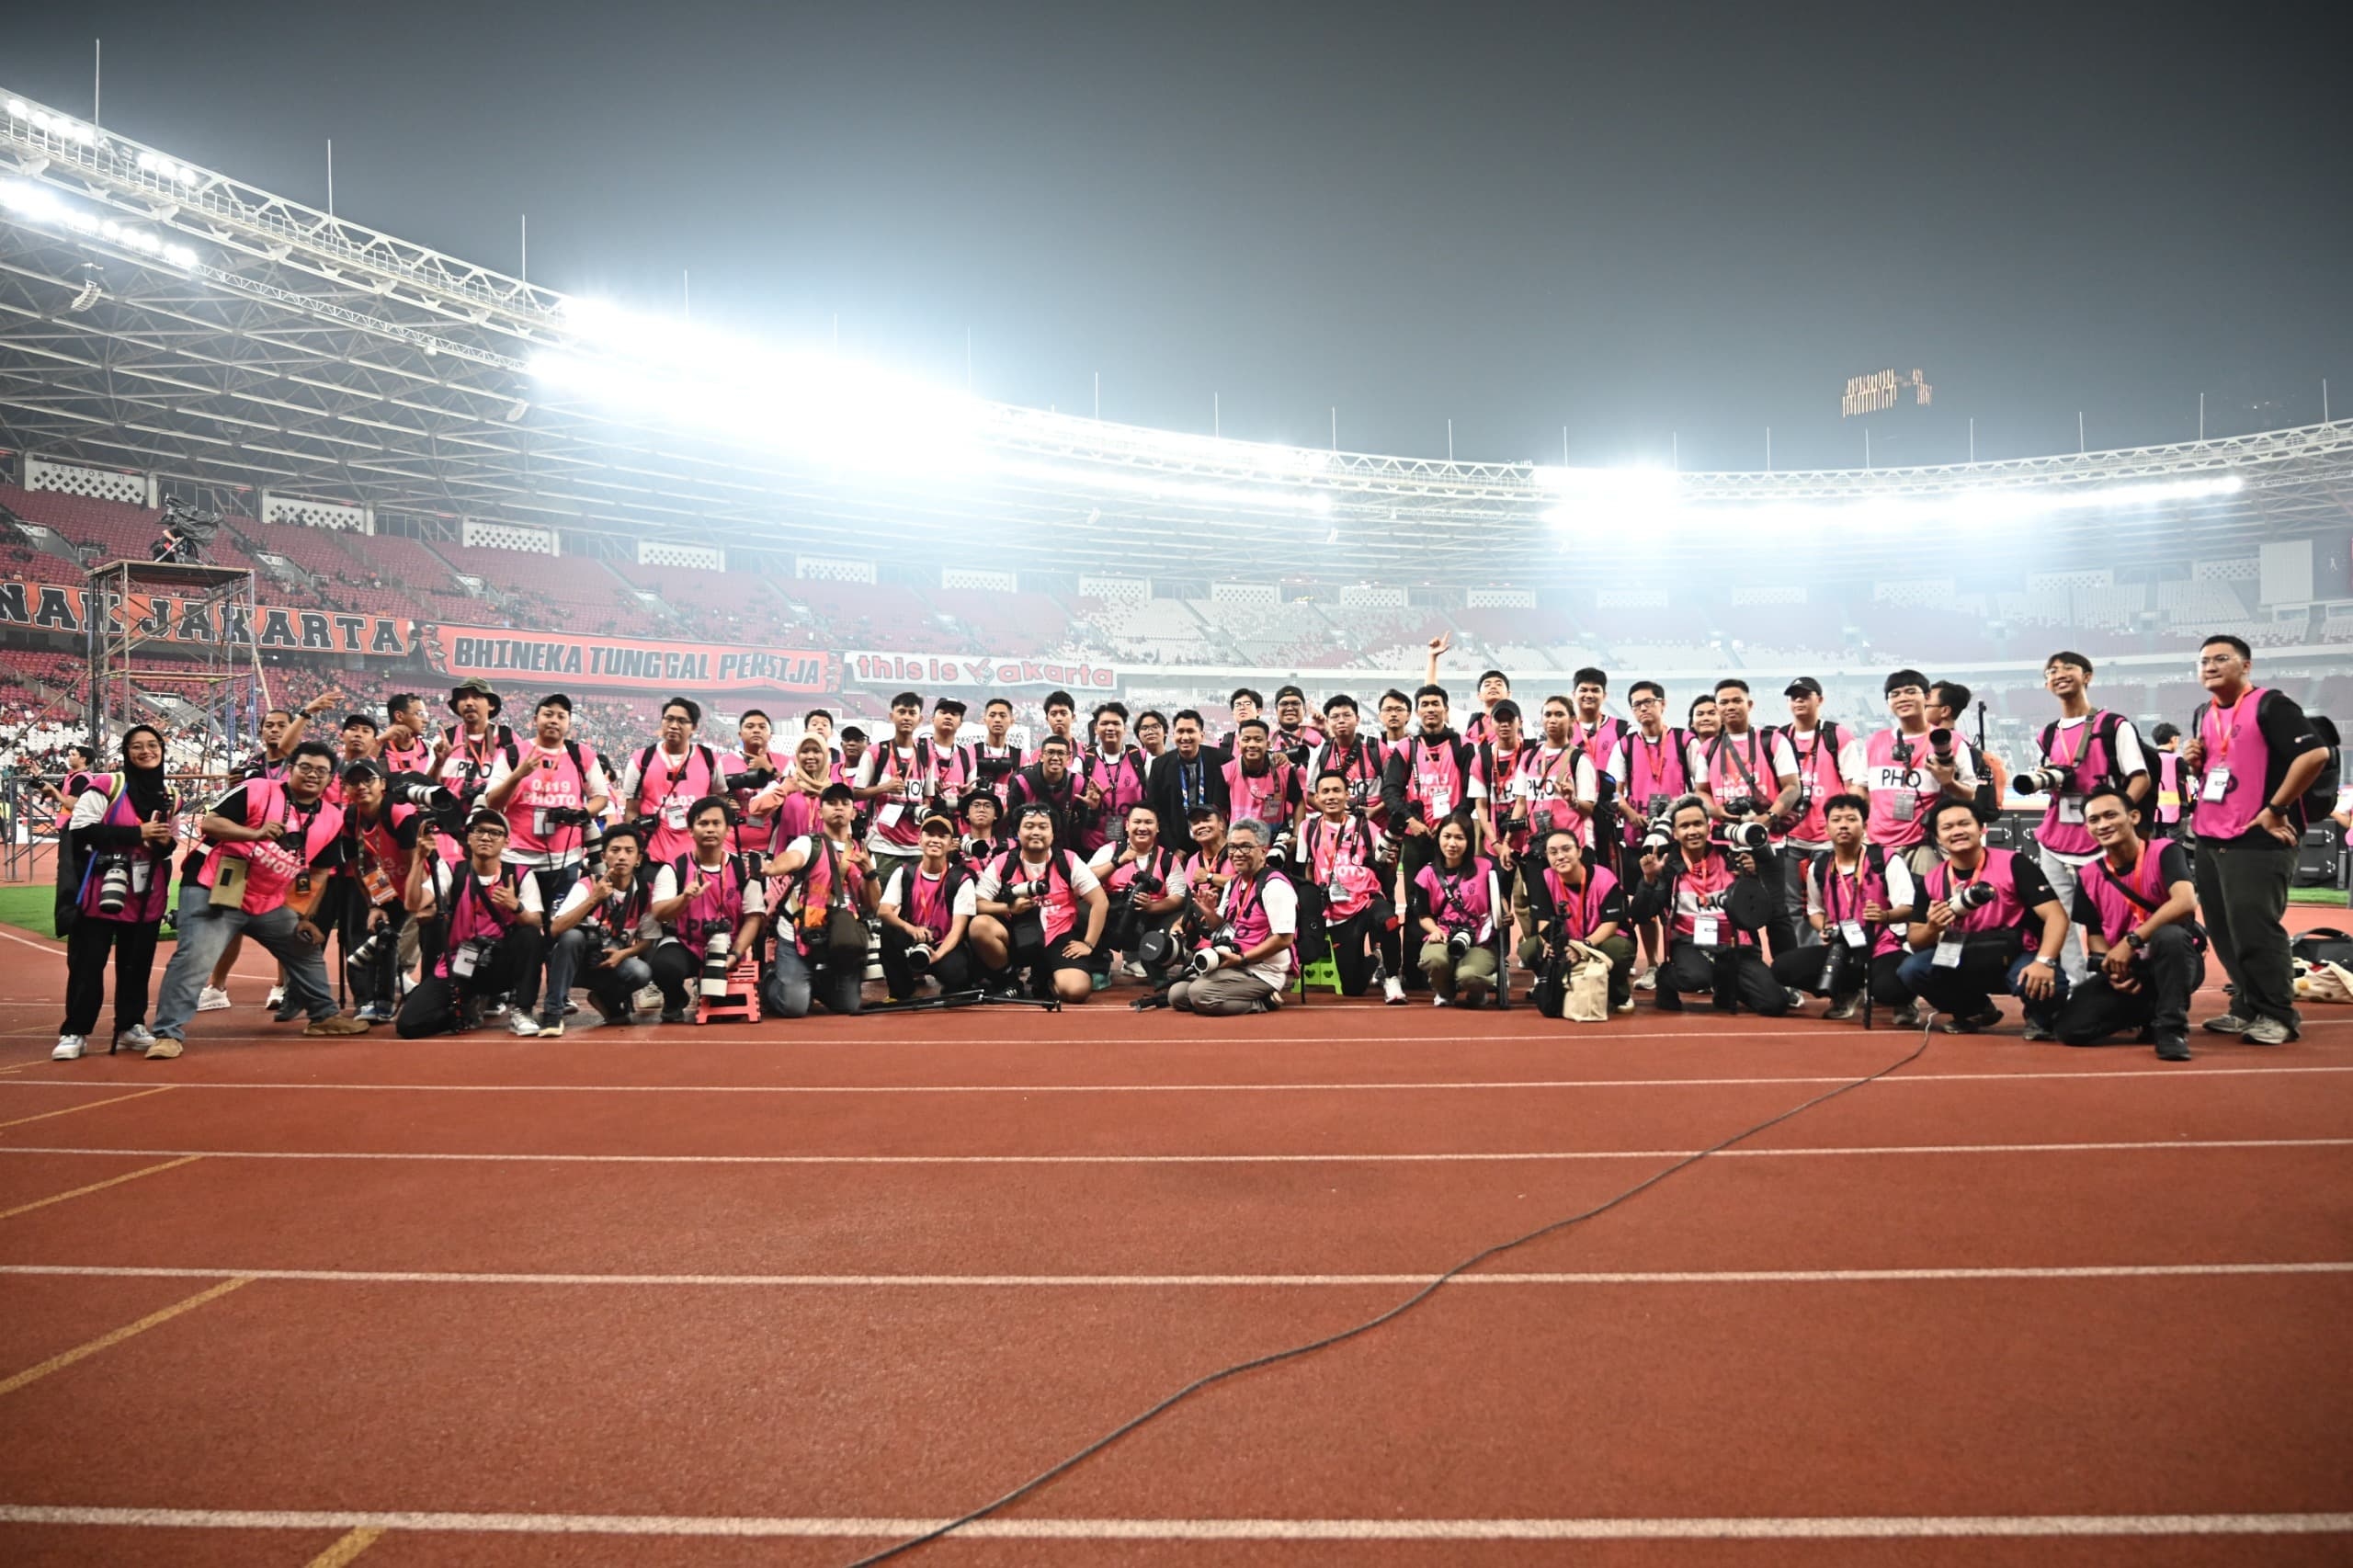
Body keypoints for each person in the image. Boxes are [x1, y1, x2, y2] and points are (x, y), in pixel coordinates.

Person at [146, 741, 366, 1058]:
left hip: (270, 899)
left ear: (331, 778)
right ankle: (167, 1033)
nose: (312, 775)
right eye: (305, 767)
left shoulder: (332, 819)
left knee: (304, 946)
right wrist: (255, 833)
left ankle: (324, 1017)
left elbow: (317, 873)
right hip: (216, 885)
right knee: (196, 956)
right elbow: (211, 823)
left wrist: (301, 914)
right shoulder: (258, 789)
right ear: (291, 769)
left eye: (321, 771)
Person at [2180, 633, 2328, 1044]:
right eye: (2203, 661)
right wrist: (2196, 764)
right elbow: (2220, 771)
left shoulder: (2271, 705)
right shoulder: (2202, 712)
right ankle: (2246, 1005)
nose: (2209, 666)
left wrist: (2277, 807)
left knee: (2255, 928)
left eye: (2220, 659)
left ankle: (2278, 1014)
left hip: (2257, 837)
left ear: (2246, 666)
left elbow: (2315, 755)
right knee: (2224, 929)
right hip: (2210, 835)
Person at [482, 693, 611, 1028]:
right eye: (548, 714)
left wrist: (581, 813)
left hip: (566, 858)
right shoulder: (512, 753)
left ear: (569, 722)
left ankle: (558, 992)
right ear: (535, 718)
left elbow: (600, 798)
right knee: (523, 932)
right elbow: (492, 803)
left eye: (561, 716)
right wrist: (519, 774)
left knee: (560, 930)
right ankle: (515, 998)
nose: (554, 721)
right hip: (518, 858)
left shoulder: (581, 755)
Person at [2022, 652, 2151, 983]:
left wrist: (2114, 819)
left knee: (2109, 916)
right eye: (2051, 671)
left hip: (2099, 840)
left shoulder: (2113, 726)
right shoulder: (2047, 733)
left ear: (2088, 676)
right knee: (2058, 918)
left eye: (2068, 668)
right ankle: (2074, 985)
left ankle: (2116, 981)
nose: (2058, 674)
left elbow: (2140, 777)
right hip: (2054, 838)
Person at [54, 725, 180, 1060]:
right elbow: (80, 832)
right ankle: (76, 1030)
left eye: (152, 745)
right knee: (88, 964)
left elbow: (168, 845)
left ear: (162, 750)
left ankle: (130, 1025)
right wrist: (137, 832)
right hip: (101, 889)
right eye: (137, 746)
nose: (146, 751)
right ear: (126, 752)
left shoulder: (170, 795)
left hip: (146, 893)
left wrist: (164, 841)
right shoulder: (108, 785)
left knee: (136, 965)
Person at [1899, 798, 2071, 1038]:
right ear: (1938, 838)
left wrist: (2045, 961)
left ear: (1982, 828)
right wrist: (1931, 927)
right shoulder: (1931, 880)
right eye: (1947, 827)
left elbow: (2057, 916)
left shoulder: (2013, 864)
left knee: (2046, 981)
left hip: (2015, 953)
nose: (1957, 831)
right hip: (1964, 954)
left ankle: (2040, 1016)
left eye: (1964, 824)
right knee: (1913, 969)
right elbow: (1916, 939)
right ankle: (1974, 1009)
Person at [2053, 786, 2201, 1061]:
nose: (2103, 824)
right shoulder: (2089, 875)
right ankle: (2148, 1010)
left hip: (2174, 959)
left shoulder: (2165, 851)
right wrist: (2113, 972)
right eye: (2094, 820)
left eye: (2110, 815)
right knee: (2070, 1030)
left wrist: (2131, 940)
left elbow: (2185, 902)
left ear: (2133, 817)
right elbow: (2095, 934)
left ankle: (2171, 1030)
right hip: (2128, 966)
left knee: (2169, 936)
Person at [1630, 795, 1789, 1016]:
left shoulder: (1732, 858)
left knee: (1775, 1003)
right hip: (1690, 944)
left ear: (1708, 825)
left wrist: (1752, 879)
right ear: (1675, 833)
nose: (1692, 831)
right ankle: (1666, 977)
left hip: (1735, 946)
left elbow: (1759, 912)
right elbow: (1640, 914)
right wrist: (1649, 880)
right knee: (1694, 978)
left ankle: (1727, 986)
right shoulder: (1667, 865)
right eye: (1685, 826)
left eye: (1697, 824)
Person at [1770, 793, 1918, 1023]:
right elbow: (1814, 911)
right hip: (1844, 946)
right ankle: (1847, 991)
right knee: (1783, 967)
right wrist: (1823, 927)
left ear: (1865, 825)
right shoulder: (1818, 868)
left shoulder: (1886, 859)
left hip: (1885, 945)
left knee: (1889, 989)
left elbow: (1909, 906)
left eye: (1851, 819)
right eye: (1836, 820)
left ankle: (1904, 1002)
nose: (1844, 825)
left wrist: (1885, 915)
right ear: (1827, 828)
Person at [397, 809, 543, 1038]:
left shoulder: (520, 874)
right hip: (461, 963)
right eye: (480, 831)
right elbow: (413, 904)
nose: (486, 838)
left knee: (530, 936)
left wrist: (517, 906)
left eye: (495, 833)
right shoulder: (451, 870)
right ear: (469, 837)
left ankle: (523, 1011)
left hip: (501, 963)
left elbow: (535, 921)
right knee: (408, 1025)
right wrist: (418, 860)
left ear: (506, 841)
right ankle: (463, 1011)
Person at [1842, 669, 1977, 878]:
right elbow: (1860, 786)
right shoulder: (1875, 741)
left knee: (1931, 902)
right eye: (1895, 694)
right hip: (1876, 843)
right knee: (1877, 906)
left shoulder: (1950, 742)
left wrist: (1948, 782)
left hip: (1922, 843)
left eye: (1910, 691)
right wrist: (1862, 824)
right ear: (1888, 703)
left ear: (1926, 696)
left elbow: (1969, 795)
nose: (1902, 698)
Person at [970, 801, 1108, 1005]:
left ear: (1053, 833)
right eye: (1029, 826)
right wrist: (1008, 908)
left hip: (1059, 937)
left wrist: (1088, 943)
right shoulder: (1003, 862)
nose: (1036, 832)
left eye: (1043, 827)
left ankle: (1047, 979)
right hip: (1017, 935)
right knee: (979, 926)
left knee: (1077, 991)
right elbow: (978, 903)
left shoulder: (1068, 861)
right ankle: (1010, 981)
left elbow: (1100, 902)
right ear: (1017, 831)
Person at [648, 796, 767, 1024]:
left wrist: (736, 954)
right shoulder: (674, 868)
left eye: (716, 823)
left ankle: (709, 988)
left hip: (728, 947)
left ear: (727, 829)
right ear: (691, 831)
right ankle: (675, 999)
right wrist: (684, 898)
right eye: (703, 824)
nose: (710, 829)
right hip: (686, 943)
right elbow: (659, 913)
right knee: (663, 967)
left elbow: (753, 917)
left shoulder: (743, 870)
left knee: (728, 1015)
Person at [1608, 680, 1694, 990]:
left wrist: (1672, 817)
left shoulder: (1686, 741)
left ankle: (1681, 962)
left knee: (1678, 903)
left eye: (1649, 702)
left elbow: (1700, 790)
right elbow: (1613, 791)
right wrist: (1631, 814)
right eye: (1637, 704)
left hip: (1677, 840)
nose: (1643, 708)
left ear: (1663, 703)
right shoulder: (1626, 745)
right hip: (1638, 839)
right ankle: (1654, 965)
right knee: (1645, 905)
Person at [1169, 817, 1299, 1015]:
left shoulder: (1275, 886)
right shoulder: (1233, 883)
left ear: (1263, 851)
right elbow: (1219, 928)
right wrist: (1209, 912)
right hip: (1235, 962)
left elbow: (1284, 939)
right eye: (1232, 847)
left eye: (1246, 847)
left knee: (1200, 994)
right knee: (1177, 995)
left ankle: (1264, 1002)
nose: (1237, 854)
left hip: (1262, 971)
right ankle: (1231, 993)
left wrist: (1242, 959)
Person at [1380, 683, 1487, 917]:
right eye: (1424, 704)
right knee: (1415, 902)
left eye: (1435, 704)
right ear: (1417, 712)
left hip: (1451, 838)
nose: (1430, 709)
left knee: (1456, 898)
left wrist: (1452, 822)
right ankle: (1414, 953)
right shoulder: (1407, 746)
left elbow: (1472, 793)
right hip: (1416, 837)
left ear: (1445, 710)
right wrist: (1410, 820)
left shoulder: (1463, 746)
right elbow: (1390, 791)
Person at [765, 782, 870, 1018]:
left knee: (848, 1006)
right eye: (831, 803)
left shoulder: (860, 851)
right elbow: (791, 859)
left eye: (845, 803)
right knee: (794, 1007)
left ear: (854, 812)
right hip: (798, 934)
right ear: (820, 812)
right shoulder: (808, 843)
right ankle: (771, 979)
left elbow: (872, 903)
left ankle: (812, 983)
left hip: (836, 938)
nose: (838, 808)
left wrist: (870, 873)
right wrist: (772, 868)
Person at [541, 824, 660, 1028]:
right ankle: (553, 1013)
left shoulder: (644, 893)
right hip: (576, 965)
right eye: (615, 850)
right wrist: (593, 899)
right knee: (572, 937)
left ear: (638, 859)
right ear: (604, 856)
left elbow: (648, 940)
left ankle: (607, 1000)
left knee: (641, 972)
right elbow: (555, 928)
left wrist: (623, 954)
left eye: (629, 851)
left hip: (612, 963)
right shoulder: (587, 884)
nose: (621, 856)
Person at [335, 759, 424, 1025]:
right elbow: (360, 868)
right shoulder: (351, 817)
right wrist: (375, 905)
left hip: (423, 878)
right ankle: (383, 1003)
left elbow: (415, 865)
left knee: (433, 933)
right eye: (353, 782)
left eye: (368, 780)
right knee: (384, 936)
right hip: (390, 882)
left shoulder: (399, 813)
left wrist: (413, 904)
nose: (361, 787)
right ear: (345, 788)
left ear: (382, 784)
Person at [1297, 769, 1396, 998]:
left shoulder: (1367, 828)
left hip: (1367, 899)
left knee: (1388, 920)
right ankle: (1374, 960)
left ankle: (1392, 977)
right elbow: (1307, 871)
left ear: (1347, 794)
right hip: (1336, 910)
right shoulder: (1308, 829)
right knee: (1352, 988)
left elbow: (1384, 862)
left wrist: (1390, 861)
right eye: (1325, 792)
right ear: (1317, 798)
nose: (1331, 796)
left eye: (1336, 790)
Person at [1519, 826, 1634, 1014]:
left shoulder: (1603, 878)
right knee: (1530, 949)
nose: (1560, 856)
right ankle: (1555, 986)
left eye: (1566, 849)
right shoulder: (1545, 878)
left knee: (1617, 950)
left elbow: (1610, 924)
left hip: (1599, 940)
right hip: (1566, 941)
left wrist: (1583, 948)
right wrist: (1549, 944)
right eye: (1553, 852)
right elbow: (1544, 921)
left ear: (1579, 851)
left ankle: (1618, 992)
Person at [1776, 677, 1853, 949]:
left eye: (1805, 695)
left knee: (1833, 901)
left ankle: (1836, 955)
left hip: (1827, 839)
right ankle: (1808, 959)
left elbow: (1854, 785)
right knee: (1791, 906)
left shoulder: (1836, 735)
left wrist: (1851, 828)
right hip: (1790, 837)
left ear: (1819, 700)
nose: (1799, 701)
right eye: (1793, 696)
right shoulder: (1779, 737)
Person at [878, 812, 981, 998]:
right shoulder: (905, 872)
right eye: (929, 835)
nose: (935, 840)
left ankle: (952, 985)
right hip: (913, 938)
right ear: (919, 841)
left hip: (944, 943)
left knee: (955, 976)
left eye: (942, 836)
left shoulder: (961, 879)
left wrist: (937, 955)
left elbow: (958, 930)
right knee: (888, 931)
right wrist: (909, 928)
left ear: (951, 844)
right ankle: (901, 991)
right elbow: (883, 910)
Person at [1086, 802, 1189, 985]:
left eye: (1148, 822)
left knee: (1182, 918)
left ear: (1157, 828)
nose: (1142, 827)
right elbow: (1085, 880)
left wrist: (1152, 907)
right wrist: (1117, 862)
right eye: (1137, 822)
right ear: (1127, 825)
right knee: (1082, 911)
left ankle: (1157, 964)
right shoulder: (1110, 850)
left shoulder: (1168, 859)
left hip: (1150, 916)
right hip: (1113, 914)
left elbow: (1178, 897)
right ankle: (1099, 967)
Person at [615, 697, 722, 867]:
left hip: (696, 857)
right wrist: (633, 852)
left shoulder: (710, 760)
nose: (673, 725)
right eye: (669, 719)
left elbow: (720, 800)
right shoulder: (642, 760)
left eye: (682, 721)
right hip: (652, 856)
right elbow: (631, 811)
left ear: (694, 727)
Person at [1410, 814, 1503, 1006]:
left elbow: (1498, 899)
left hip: (1480, 940)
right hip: (1444, 934)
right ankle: (1445, 991)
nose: (1452, 843)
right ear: (1438, 838)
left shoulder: (1486, 867)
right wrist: (1434, 931)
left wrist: (1504, 913)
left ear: (1469, 841)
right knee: (1435, 960)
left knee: (1468, 976)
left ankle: (1480, 990)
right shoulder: (1425, 875)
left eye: (1459, 838)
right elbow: (1424, 915)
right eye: (1447, 836)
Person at [856, 691, 938, 894]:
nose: (906, 717)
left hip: (916, 846)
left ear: (920, 719)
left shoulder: (926, 755)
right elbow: (855, 793)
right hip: (884, 844)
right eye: (901, 711)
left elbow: (928, 796)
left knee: (913, 903)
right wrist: (884, 788)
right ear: (891, 716)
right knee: (879, 901)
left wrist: (922, 810)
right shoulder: (876, 751)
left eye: (912, 713)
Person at [1074, 702, 1149, 857]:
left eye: (1116, 723)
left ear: (1124, 728)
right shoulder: (1084, 760)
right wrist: (1090, 807)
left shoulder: (1140, 758)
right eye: (1104, 723)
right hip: (1092, 846)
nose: (1110, 728)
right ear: (1095, 728)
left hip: (1133, 845)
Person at [1222, 719, 1304, 847]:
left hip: (1274, 843)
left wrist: (1296, 836)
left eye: (1258, 739)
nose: (1252, 744)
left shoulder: (1283, 769)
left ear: (1267, 744)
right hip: (1238, 845)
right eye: (1246, 739)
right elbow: (1220, 811)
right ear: (1238, 744)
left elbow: (1299, 801)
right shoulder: (1227, 771)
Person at [1147, 709, 1229, 830]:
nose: (1185, 737)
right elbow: (1155, 810)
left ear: (1202, 736)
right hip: (1177, 841)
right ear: (1173, 735)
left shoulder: (1222, 760)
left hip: (1215, 836)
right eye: (1180, 731)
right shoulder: (1159, 765)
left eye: (1190, 731)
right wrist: (1173, 848)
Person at [1005, 733, 1088, 848]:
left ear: (1068, 758)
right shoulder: (1022, 782)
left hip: (1063, 846)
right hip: (1028, 845)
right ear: (1041, 756)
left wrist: (1093, 809)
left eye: (1060, 753)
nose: (1055, 758)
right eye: (1050, 752)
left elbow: (1085, 824)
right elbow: (1014, 822)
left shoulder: (1077, 783)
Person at [972, 697, 1021, 805]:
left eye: (1003, 715)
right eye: (992, 715)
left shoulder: (1022, 757)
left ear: (1012, 721)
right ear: (984, 720)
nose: (997, 720)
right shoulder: (970, 752)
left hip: (1009, 819)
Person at [2147, 722, 2188, 838]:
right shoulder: (2176, 759)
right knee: (2175, 849)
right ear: (2173, 739)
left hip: (2153, 813)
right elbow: (2190, 782)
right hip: (2175, 814)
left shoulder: (2148, 758)